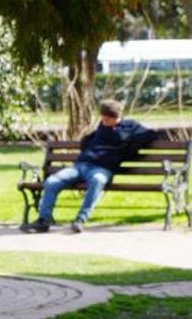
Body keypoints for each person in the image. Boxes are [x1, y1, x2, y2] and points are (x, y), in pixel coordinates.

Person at [23, 99, 160, 234]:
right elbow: (87, 141)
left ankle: (80, 220)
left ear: (116, 117)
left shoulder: (130, 127)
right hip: (80, 166)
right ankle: (44, 220)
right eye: (103, 117)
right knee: (52, 181)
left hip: (102, 169)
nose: (104, 120)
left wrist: (129, 150)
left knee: (97, 181)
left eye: (107, 118)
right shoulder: (101, 127)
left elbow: (150, 135)